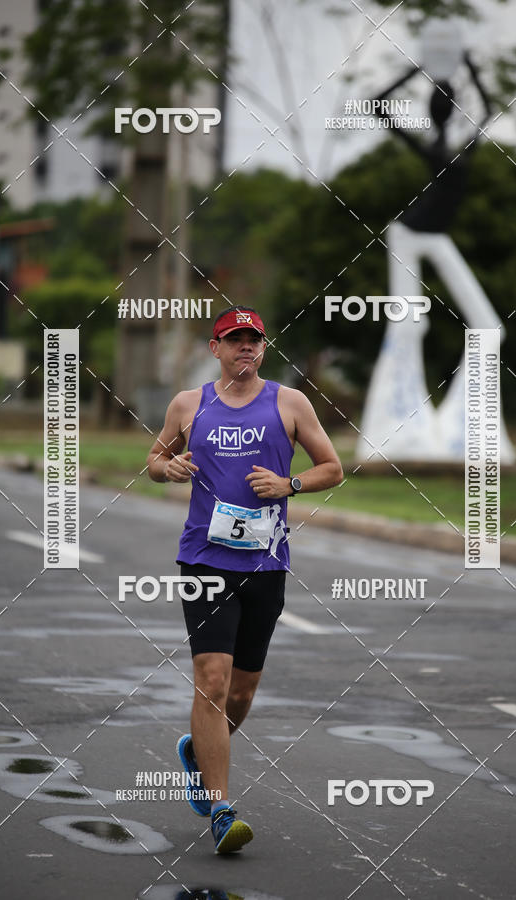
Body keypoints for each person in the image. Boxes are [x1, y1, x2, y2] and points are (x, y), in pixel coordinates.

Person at [147, 305, 343, 853]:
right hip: (204, 560)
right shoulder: (190, 404)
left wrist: (291, 485)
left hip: (266, 563)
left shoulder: (290, 402)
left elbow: (333, 466)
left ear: (264, 348)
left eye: (254, 340)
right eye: (235, 340)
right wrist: (171, 467)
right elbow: (155, 459)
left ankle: (198, 751)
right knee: (211, 680)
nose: (246, 348)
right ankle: (222, 809)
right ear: (216, 349)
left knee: (241, 692)